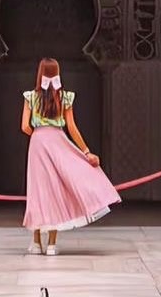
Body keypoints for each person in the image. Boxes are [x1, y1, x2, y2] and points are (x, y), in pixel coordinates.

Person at [20, 56, 120, 256]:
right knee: (56, 190)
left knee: (38, 191)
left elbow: (24, 126)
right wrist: (86, 151)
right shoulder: (65, 97)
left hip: (38, 144)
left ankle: (36, 243)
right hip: (58, 141)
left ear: (40, 73)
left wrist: (39, 136)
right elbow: (72, 128)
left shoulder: (30, 96)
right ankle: (52, 245)